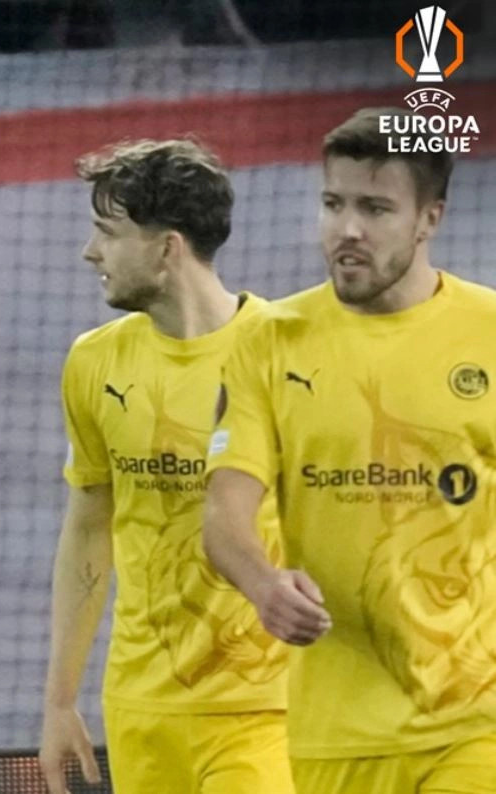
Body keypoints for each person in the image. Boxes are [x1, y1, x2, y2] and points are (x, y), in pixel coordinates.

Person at [204, 106, 496, 793]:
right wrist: (263, 585)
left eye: (375, 208)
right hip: (332, 732)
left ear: (428, 219)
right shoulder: (268, 341)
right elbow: (222, 513)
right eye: (333, 204)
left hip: (475, 722)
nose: (347, 230)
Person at [38, 138, 293, 794]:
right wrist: (59, 701)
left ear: (166, 248)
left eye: (107, 232)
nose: (90, 251)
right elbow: (88, 528)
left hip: (265, 709)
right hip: (140, 711)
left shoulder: (288, 352)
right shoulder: (92, 361)